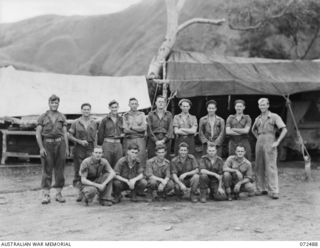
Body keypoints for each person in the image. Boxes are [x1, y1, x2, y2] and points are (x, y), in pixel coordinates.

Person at [36, 94, 69, 204]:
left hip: (60, 144)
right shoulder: (43, 116)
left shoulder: (62, 117)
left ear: (58, 104)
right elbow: (38, 133)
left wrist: (67, 148)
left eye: (56, 103)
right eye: (52, 103)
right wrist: (41, 148)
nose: (54, 105)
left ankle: (59, 193)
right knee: (47, 169)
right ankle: (46, 194)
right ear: (49, 103)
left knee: (60, 169)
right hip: (47, 144)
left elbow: (65, 133)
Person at [252, 98, 287, 199]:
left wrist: (277, 141)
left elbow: (284, 129)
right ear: (259, 106)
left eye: (264, 105)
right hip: (260, 141)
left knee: (271, 166)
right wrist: (259, 138)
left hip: (270, 140)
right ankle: (260, 188)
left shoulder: (274, 116)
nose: (262, 107)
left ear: (268, 105)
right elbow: (253, 130)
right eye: (260, 105)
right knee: (259, 166)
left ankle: (274, 190)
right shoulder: (257, 118)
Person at [68, 103, 98, 202]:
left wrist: (95, 149)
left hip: (90, 148)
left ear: (90, 110)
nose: (86, 111)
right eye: (84, 109)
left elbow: (95, 137)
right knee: (79, 171)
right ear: (81, 111)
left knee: (90, 170)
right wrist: (79, 141)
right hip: (79, 148)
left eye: (88, 109)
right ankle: (80, 192)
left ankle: (89, 192)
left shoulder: (93, 122)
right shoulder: (76, 122)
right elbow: (69, 135)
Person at [97, 100, 123, 168]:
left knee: (118, 163)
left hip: (118, 144)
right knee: (107, 163)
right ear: (109, 108)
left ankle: (116, 178)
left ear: (118, 107)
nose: (114, 109)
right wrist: (100, 146)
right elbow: (100, 133)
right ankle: (107, 178)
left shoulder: (121, 119)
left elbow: (124, 131)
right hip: (108, 143)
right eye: (112, 107)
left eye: (116, 107)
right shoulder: (105, 120)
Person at [123, 97, 147, 167]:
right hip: (129, 139)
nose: (134, 105)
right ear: (129, 105)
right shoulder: (125, 115)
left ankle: (141, 173)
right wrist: (138, 130)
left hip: (140, 139)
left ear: (138, 105)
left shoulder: (142, 114)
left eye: (135, 104)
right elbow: (125, 130)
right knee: (129, 157)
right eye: (132, 104)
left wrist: (132, 127)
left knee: (141, 157)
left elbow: (144, 128)